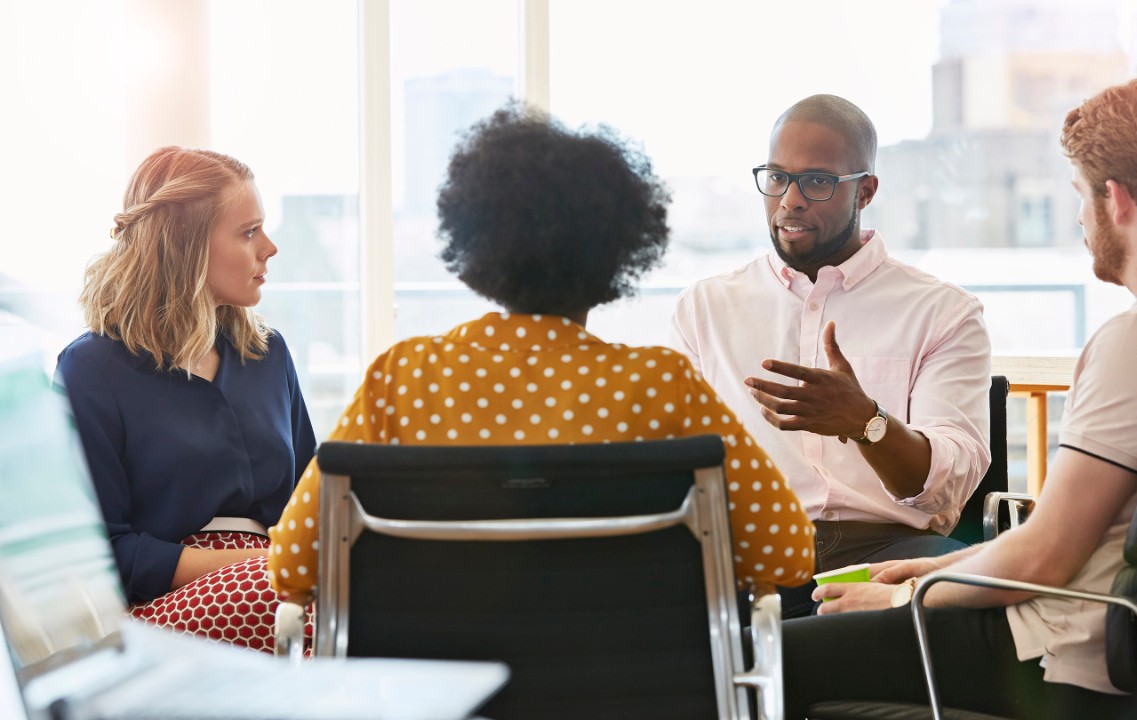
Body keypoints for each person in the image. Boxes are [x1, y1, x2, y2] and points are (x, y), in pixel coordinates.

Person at [269, 103, 815, 603]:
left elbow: (294, 562)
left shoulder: (405, 378)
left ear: (477, 244)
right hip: (627, 687)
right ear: (617, 254)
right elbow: (789, 553)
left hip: (445, 693)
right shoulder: (658, 386)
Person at [780, 78, 1137, 719]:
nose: (1077, 218)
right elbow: (1059, 537)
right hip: (1108, 635)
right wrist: (922, 574)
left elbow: (1046, 554)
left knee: (767, 661)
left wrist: (901, 599)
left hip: (1054, 646)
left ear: (1115, 200)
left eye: (1079, 196)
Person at [669, 94, 992, 617]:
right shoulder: (706, 307)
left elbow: (944, 494)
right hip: (750, 554)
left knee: (965, 610)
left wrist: (867, 423)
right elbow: (677, 461)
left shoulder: (943, 312)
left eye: (817, 181)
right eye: (776, 177)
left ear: (865, 190)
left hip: (885, 551)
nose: (789, 200)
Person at [57, 146, 316, 653]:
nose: (270, 247)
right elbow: (103, 552)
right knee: (283, 598)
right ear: (186, 246)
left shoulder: (269, 353)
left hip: (279, 587)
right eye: (248, 232)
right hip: (163, 605)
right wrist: (264, 565)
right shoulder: (90, 369)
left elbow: (310, 502)